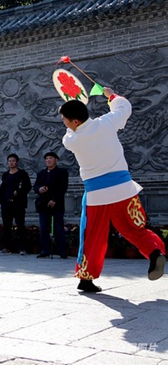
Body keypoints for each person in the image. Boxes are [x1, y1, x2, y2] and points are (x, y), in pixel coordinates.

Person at [59, 88, 165, 292]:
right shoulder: (107, 123)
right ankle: (154, 253)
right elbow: (124, 107)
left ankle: (86, 279)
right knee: (135, 229)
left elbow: (68, 135)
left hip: (97, 196)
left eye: (65, 119)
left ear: (75, 122)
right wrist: (111, 96)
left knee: (93, 236)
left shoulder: (72, 140)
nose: (64, 122)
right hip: (125, 190)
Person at [33, 152, 69, 259]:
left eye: (51, 158)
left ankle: (62, 251)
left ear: (56, 160)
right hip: (43, 205)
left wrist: (55, 199)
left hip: (57, 204)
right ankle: (45, 250)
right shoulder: (41, 173)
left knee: (58, 228)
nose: (48, 160)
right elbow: (35, 186)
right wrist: (39, 189)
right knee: (44, 228)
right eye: (47, 159)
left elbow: (63, 188)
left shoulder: (62, 172)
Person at [0, 153, 32, 256]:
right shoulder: (5, 175)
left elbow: (27, 187)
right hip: (6, 205)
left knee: (20, 226)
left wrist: (19, 192)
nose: (11, 162)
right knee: (6, 227)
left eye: (13, 161)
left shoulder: (22, 174)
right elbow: (2, 189)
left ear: (17, 162)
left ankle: (22, 248)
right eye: (9, 161)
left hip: (18, 204)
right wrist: (2, 201)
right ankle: (6, 248)